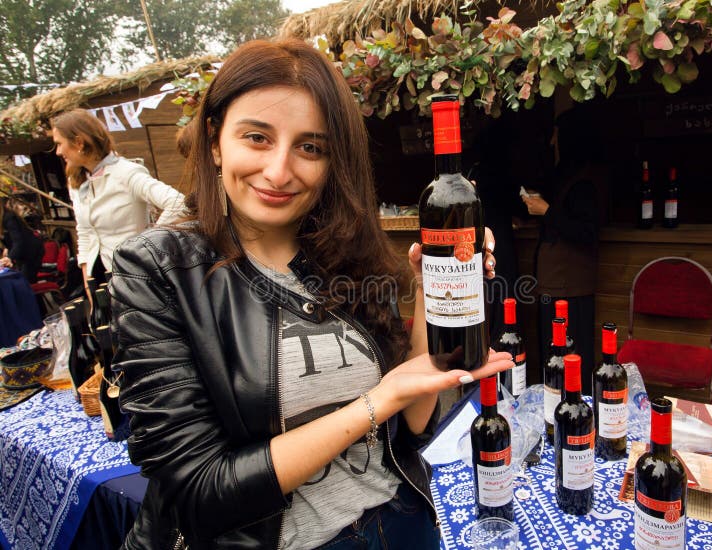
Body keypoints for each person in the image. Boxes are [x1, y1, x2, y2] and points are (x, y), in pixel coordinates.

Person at [109, 39, 511, 550]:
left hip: (402, 522)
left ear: (332, 161)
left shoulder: (350, 254)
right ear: (215, 141)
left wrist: (434, 296)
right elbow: (199, 492)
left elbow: (410, 429)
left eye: (310, 147)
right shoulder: (159, 268)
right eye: (257, 137)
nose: (279, 171)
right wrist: (375, 402)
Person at [50, 109, 185, 291]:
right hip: (98, 277)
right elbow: (84, 232)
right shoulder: (76, 182)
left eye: (59, 144)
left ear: (79, 142)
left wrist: (147, 243)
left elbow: (178, 203)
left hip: (135, 276)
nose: (58, 152)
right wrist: (88, 280)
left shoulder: (125, 173)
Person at [522, 104, 602, 391]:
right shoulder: (567, 173)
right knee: (553, 360)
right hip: (555, 285)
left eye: (557, 134)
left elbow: (586, 231)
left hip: (571, 290)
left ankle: (575, 418)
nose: (553, 141)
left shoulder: (585, 181)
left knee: (570, 361)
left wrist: (547, 211)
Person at [0, 196, 45, 283]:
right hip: (22, 253)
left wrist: (10, 257)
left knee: (24, 281)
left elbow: (18, 241)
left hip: (32, 251)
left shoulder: (9, 217)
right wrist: (7, 250)